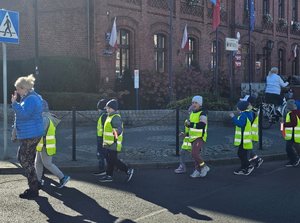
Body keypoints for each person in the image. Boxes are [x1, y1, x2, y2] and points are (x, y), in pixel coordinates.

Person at [11, 74, 44, 199]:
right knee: (27, 159)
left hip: (31, 134)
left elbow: (24, 115)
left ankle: (34, 188)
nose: (17, 91)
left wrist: (14, 104)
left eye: (18, 88)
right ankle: (35, 184)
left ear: (24, 88)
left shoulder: (31, 99)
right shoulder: (30, 97)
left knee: (24, 160)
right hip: (31, 133)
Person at [35, 100, 70, 189]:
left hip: (45, 145)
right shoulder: (46, 117)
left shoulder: (45, 118)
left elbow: (40, 132)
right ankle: (37, 180)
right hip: (43, 144)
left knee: (47, 164)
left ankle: (62, 177)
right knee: (38, 162)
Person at [99, 99, 134, 183]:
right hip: (109, 143)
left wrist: (114, 140)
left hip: (113, 144)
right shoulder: (110, 116)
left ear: (112, 108)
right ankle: (109, 175)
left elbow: (118, 130)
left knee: (113, 160)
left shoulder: (115, 117)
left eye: (108, 108)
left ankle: (127, 170)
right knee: (109, 160)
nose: (106, 109)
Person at [183, 96, 210, 178]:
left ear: (200, 104)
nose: (194, 104)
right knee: (196, 155)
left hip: (200, 137)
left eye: (196, 103)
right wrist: (186, 134)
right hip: (192, 137)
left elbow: (202, 124)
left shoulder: (203, 113)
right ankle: (197, 170)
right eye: (193, 102)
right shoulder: (192, 113)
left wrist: (190, 124)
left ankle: (204, 167)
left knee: (194, 153)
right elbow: (190, 126)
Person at [230, 100, 255, 176]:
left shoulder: (243, 115)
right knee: (242, 154)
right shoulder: (249, 113)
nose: (237, 108)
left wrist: (233, 117)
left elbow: (240, 124)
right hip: (246, 138)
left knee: (241, 154)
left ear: (240, 108)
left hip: (243, 138)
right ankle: (244, 167)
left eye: (238, 107)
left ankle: (247, 167)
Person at [240, 95, 264, 168]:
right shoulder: (252, 110)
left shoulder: (251, 112)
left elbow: (247, 122)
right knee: (248, 149)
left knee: (246, 151)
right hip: (250, 134)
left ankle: (247, 166)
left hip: (248, 134)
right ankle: (257, 160)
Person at [174, 105, 193, 174]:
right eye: (189, 112)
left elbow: (196, 132)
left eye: (191, 112)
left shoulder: (196, 121)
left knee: (196, 155)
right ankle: (182, 167)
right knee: (182, 152)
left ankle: (201, 168)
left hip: (194, 141)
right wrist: (183, 133)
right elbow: (187, 131)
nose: (190, 113)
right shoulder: (187, 121)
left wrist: (185, 134)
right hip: (187, 141)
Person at [282, 99, 300, 167]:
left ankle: (294, 160)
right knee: (296, 147)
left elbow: (294, 123)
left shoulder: (291, 114)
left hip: (293, 134)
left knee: (288, 148)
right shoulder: (298, 112)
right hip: (296, 134)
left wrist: (284, 124)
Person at [93, 99, 108, 176]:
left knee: (100, 154)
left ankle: (102, 169)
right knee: (105, 154)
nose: (97, 110)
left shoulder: (103, 116)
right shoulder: (104, 115)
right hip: (102, 137)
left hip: (102, 138)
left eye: (98, 108)